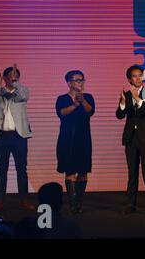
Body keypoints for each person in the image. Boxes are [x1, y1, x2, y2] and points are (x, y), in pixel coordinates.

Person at [0, 64, 35, 211]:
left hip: (18, 136)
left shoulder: (22, 90)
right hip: (2, 136)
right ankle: (0, 200)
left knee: (22, 169)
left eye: (15, 76)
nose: (12, 78)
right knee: (1, 169)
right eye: (9, 76)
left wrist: (16, 83)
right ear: (5, 77)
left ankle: (24, 199)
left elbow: (24, 96)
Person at [116, 65, 145, 214]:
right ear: (129, 79)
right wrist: (122, 103)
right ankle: (130, 204)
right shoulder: (125, 95)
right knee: (132, 173)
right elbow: (120, 115)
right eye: (135, 76)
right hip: (131, 139)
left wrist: (137, 98)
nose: (138, 78)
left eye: (140, 75)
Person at [56, 70, 95, 214]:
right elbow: (61, 113)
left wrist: (82, 100)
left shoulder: (89, 97)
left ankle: (79, 201)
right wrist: (74, 105)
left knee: (83, 172)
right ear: (69, 83)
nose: (80, 82)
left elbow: (90, 111)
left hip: (84, 139)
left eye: (82, 80)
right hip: (67, 139)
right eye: (77, 80)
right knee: (70, 171)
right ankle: (73, 205)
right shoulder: (62, 98)